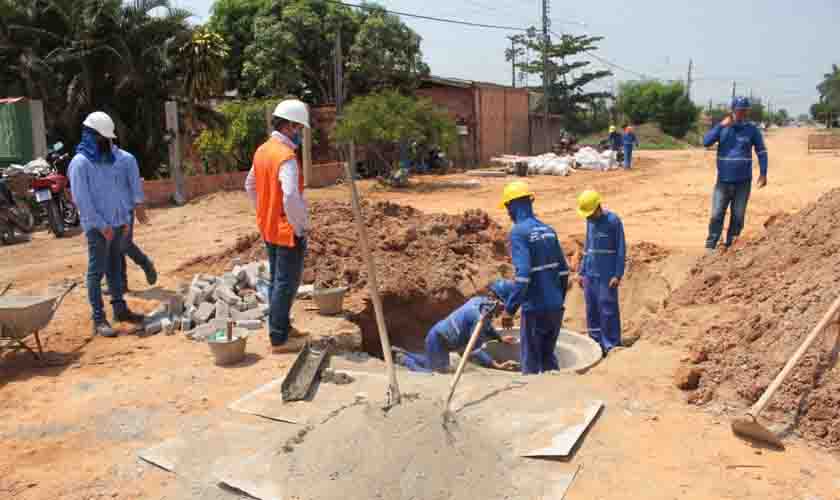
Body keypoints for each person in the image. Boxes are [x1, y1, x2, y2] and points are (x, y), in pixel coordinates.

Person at [69, 111, 147, 337]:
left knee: (115, 269)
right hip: (98, 230)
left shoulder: (109, 161)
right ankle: (99, 319)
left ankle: (120, 311)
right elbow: (83, 202)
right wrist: (103, 227)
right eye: (105, 139)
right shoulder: (80, 164)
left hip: (117, 225)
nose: (109, 143)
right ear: (93, 137)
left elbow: (117, 194)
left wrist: (123, 221)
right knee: (96, 273)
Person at [245, 99, 311, 354]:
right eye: (298, 128)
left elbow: (249, 185)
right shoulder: (287, 157)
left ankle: (280, 326)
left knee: (277, 280)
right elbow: (291, 196)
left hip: (269, 227)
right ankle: (280, 338)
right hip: (286, 230)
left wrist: (264, 211)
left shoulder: (263, 150)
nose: (300, 134)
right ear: (290, 126)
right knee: (287, 283)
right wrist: (299, 225)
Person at [498, 181, 570, 374]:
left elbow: (523, 276)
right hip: (555, 307)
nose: (507, 213)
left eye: (507, 208)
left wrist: (510, 309)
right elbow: (564, 271)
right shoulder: (549, 230)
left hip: (535, 309)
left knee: (530, 362)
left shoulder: (519, 233)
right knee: (548, 358)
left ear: (513, 205)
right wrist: (557, 299)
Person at [394, 280, 519, 373]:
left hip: (440, 338)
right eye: (503, 308)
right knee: (435, 374)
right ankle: (406, 360)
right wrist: (496, 365)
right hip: (439, 340)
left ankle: (402, 354)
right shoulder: (477, 316)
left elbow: (487, 326)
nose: (503, 312)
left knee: (431, 362)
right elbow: (472, 350)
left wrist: (499, 338)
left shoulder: (481, 302)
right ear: (497, 302)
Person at [702, 96, 768, 253]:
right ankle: (711, 244)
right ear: (732, 110)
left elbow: (761, 151)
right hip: (723, 181)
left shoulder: (752, 130)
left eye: (743, 111)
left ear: (747, 112)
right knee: (717, 213)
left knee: (738, 216)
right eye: (738, 110)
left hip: (743, 182)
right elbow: (706, 142)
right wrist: (720, 126)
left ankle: (732, 245)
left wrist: (763, 172)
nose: (740, 113)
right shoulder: (723, 127)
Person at [575, 190, 626, 355]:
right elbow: (587, 247)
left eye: (590, 213)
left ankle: (611, 344)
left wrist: (617, 274)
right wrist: (582, 272)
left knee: (607, 309)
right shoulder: (590, 222)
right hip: (590, 273)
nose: (587, 217)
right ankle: (595, 342)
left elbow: (621, 249)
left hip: (607, 275)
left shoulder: (613, 221)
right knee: (592, 309)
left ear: (598, 207)